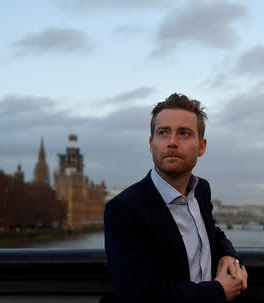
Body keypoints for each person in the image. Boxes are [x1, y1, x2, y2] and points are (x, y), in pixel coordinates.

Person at [104, 93, 248, 303]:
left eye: (184, 133)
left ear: (201, 147)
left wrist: (227, 255)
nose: (172, 142)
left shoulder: (201, 190)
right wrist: (218, 292)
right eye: (163, 133)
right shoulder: (125, 209)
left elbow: (210, 231)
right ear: (152, 143)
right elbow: (140, 296)